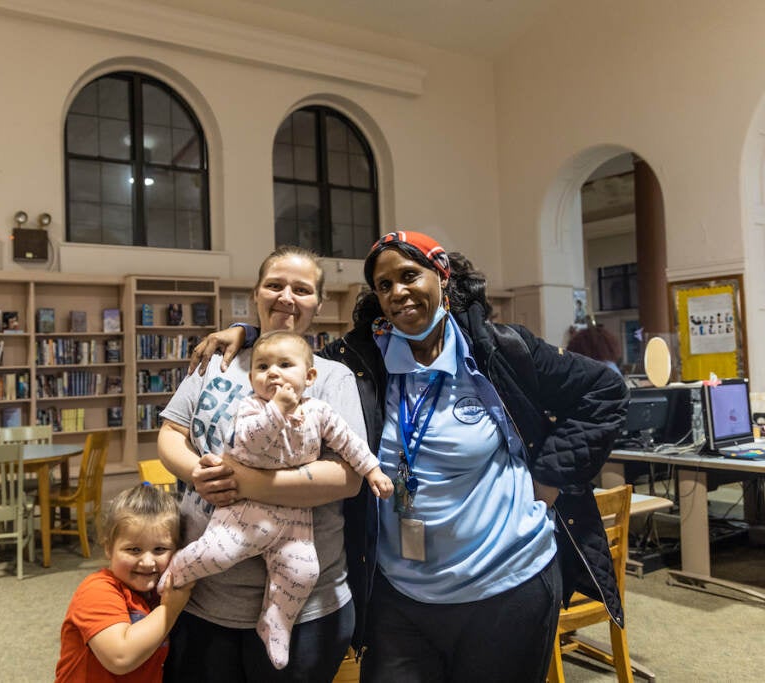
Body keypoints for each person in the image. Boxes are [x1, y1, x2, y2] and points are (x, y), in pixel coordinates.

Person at [191, 231, 628, 682]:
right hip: (400, 599)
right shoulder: (361, 361)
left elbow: (606, 391)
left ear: (442, 278)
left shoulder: (500, 350)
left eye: (409, 276)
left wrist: (551, 478)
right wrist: (246, 335)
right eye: (383, 285)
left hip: (508, 584)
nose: (397, 292)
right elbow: (293, 359)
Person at [157, 245, 366, 682]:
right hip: (203, 597)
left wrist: (245, 483)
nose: (287, 297)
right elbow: (171, 434)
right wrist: (197, 473)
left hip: (307, 608)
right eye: (275, 285)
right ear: (256, 293)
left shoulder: (330, 377)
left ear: (319, 304)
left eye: (302, 289)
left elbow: (347, 477)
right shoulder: (218, 359)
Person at [55, 484, 192, 683]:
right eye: (134, 550)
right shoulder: (96, 591)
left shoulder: (159, 592)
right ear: (109, 548)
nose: (147, 562)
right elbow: (120, 657)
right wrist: (170, 609)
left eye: (160, 549)